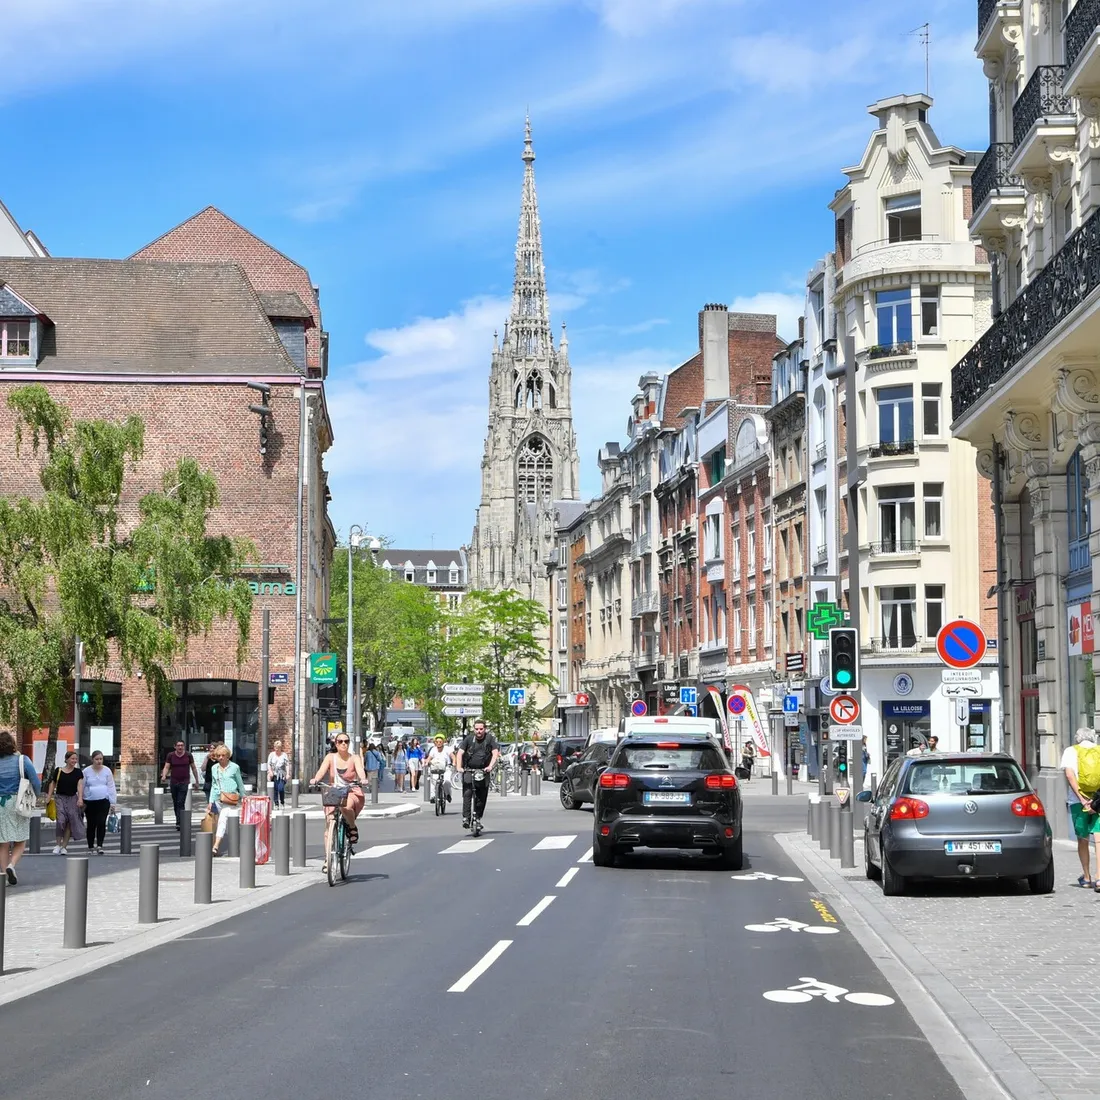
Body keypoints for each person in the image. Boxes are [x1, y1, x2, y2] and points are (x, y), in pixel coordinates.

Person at [310, 734, 367, 873]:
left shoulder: (354, 758)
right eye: (340, 741)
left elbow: (360, 770)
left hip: (351, 791)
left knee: (346, 806)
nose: (343, 744)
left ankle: (352, 827)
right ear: (335, 743)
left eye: (346, 741)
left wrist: (363, 779)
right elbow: (322, 770)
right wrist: (316, 779)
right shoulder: (330, 757)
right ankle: (327, 859)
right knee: (329, 822)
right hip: (334, 792)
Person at [0, 731, 41, 884]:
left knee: (2, 842)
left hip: (0, 804)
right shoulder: (22, 760)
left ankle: (3, 875)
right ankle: (12, 865)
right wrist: (36, 796)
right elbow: (35, 782)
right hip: (18, 802)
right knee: (20, 839)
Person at [1062, 727, 1100, 889]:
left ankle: (1087, 877)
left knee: (1082, 838)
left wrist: (1083, 800)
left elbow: (1070, 776)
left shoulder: (1071, 751)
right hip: (1098, 800)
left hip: (1078, 802)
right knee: (1099, 838)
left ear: (1078, 738)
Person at [456, 720, 499, 829]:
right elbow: (460, 753)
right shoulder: (469, 739)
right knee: (467, 793)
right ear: (474, 729)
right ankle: (466, 818)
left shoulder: (489, 739)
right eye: (477, 729)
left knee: (481, 796)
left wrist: (490, 766)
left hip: (483, 771)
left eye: (481, 729)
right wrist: (459, 767)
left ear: (485, 729)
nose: (479, 731)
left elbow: (495, 753)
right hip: (469, 770)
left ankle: (478, 817)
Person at [208, 743, 245, 857]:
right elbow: (214, 785)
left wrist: (244, 798)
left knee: (222, 820)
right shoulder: (214, 768)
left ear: (228, 756)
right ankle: (237, 845)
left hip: (230, 799)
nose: (220, 758)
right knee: (212, 822)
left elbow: (240, 784)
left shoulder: (234, 767)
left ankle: (216, 846)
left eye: (223, 755)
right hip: (218, 799)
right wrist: (210, 801)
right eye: (218, 755)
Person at [47, 750, 85, 854]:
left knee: (70, 821)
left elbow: (80, 785)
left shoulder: (78, 772)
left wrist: (80, 798)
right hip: (60, 798)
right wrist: (49, 796)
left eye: (75, 759)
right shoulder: (58, 770)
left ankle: (64, 846)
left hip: (73, 798)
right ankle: (58, 844)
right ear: (67, 759)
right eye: (72, 758)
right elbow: (53, 783)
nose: (74, 761)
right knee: (61, 821)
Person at [82, 750, 118, 854]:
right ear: (92, 759)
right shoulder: (86, 771)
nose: (99, 761)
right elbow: (82, 786)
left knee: (101, 822)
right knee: (91, 824)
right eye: (96, 759)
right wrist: (81, 799)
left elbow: (111, 786)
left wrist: (113, 802)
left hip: (103, 800)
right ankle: (90, 846)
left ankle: (100, 845)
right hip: (89, 801)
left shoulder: (107, 771)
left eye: (101, 759)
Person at [160, 739, 199, 831]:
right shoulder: (170, 755)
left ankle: (180, 823)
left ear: (184, 746)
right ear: (175, 747)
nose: (180, 747)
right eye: (178, 745)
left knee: (180, 802)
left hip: (184, 782)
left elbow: (193, 768)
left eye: (182, 745)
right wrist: (164, 775)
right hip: (174, 782)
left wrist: (197, 780)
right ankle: (179, 820)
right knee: (175, 802)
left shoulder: (188, 755)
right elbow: (166, 766)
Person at [425, 733, 453, 803]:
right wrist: (426, 762)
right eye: (437, 742)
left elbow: (453, 757)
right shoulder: (433, 750)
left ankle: (448, 794)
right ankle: (433, 796)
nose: (438, 743)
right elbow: (429, 758)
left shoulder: (447, 749)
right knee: (433, 780)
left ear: (443, 742)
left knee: (446, 781)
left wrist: (454, 763)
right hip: (436, 768)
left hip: (446, 768)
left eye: (440, 742)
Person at [267, 740, 290, 809]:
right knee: (275, 789)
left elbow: (287, 765)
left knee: (281, 788)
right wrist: (270, 771)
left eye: (278, 748)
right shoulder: (271, 755)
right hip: (274, 774)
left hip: (282, 774)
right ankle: (276, 803)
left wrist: (288, 773)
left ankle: (282, 802)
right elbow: (269, 764)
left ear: (280, 748)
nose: (276, 750)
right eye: (275, 748)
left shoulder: (284, 755)